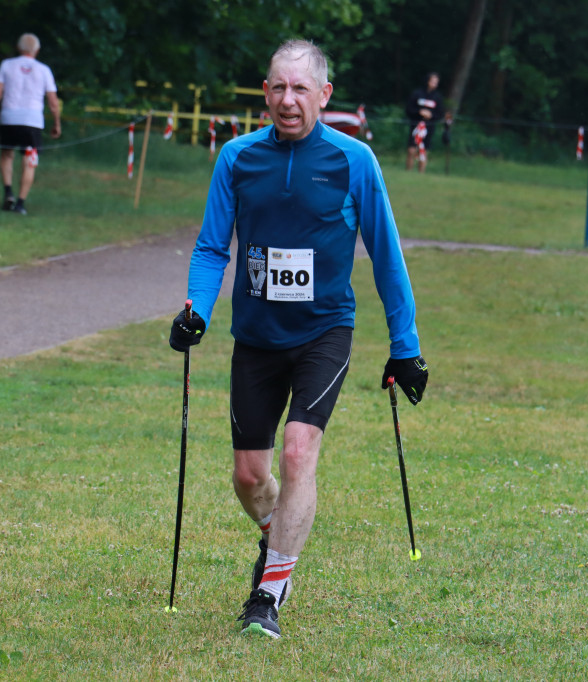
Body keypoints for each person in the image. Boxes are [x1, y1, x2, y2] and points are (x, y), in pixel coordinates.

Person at [168, 39, 428, 639]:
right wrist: (196, 310)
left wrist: (405, 345)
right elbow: (212, 247)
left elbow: (386, 256)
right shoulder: (236, 159)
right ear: (265, 93)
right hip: (256, 337)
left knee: (297, 450)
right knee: (249, 477)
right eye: (278, 88)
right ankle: (277, 542)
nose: (289, 101)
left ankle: (269, 596)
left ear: (324, 96)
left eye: (301, 89)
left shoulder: (354, 161)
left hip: (323, 333)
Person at [0, 33, 61, 215]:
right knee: (29, 160)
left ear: (18, 48)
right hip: (32, 120)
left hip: (9, 117)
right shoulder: (44, 70)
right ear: (37, 50)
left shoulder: (7, 65)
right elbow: (53, 101)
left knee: (7, 155)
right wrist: (56, 122)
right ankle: (20, 203)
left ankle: (8, 192)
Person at [405, 72, 445, 173]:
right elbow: (409, 109)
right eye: (433, 81)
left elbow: (440, 113)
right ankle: (408, 171)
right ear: (427, 81)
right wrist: (419, 112)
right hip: (416, 125)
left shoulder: (437, 97)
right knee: (411, 150)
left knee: (424, 151)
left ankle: (421, 173)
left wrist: (431, 115)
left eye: (436, 82)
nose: (434, 83)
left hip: (429, 127)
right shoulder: (417, 94)